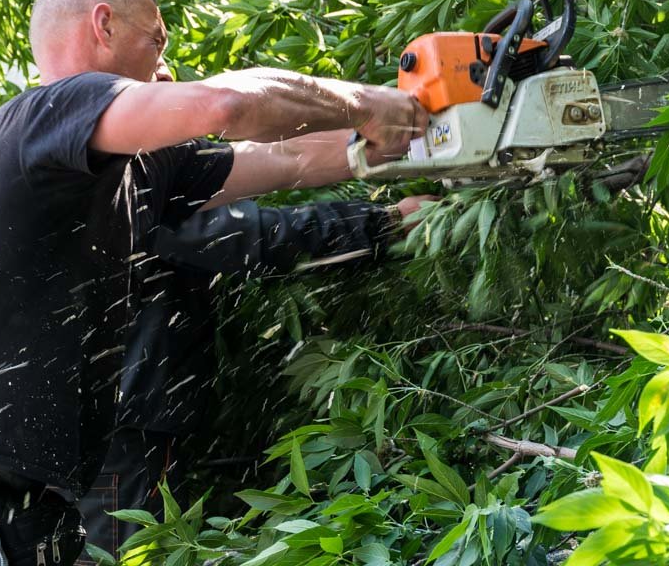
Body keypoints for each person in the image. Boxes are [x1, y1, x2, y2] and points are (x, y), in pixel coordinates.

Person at [0, 0, 429, 566]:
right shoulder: (46, 112)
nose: (164, 65)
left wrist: (425, 132)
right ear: (104, 25)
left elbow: (288, 160)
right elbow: (224, 104)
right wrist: (368, 103)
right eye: (157, 39)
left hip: (37, 491)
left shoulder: (140, 169)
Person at [76, 195, 425, 563]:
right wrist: (380, 222)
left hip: (80, 419)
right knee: (123, 556)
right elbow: (240, 234)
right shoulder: (121, 183)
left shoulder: (63, 165)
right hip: (115, 427)